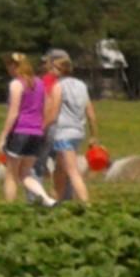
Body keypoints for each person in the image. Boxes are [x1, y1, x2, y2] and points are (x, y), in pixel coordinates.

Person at [0, 53, 55, 206]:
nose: (8, 69)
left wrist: (3, 135)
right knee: (25, 174)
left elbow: (13, 112)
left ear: (15, 67)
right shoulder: (39, 83)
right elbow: (48, 107)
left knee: (11, 174)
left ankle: (10, 208)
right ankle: (47, 199)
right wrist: (41, 126)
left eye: (9, 66)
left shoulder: (16, 84)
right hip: (36, 133)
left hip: (19, 132)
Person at [43, 48, 98, 207]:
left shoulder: (58, 86)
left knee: (72, 171)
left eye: (53, 68)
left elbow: (53, 113)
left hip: (63, 133)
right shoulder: (82, 85)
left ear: (59, 70)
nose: (50, 70)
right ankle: (58, 200)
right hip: (78, 132)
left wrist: (42, 128)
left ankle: (86, 204)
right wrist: (94, 135)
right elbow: (91, 113)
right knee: (60, 169)